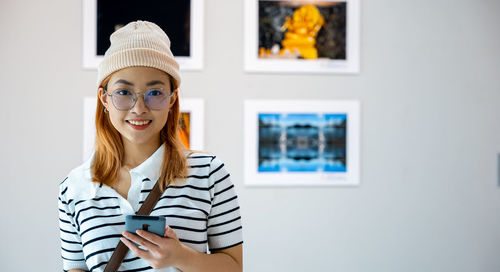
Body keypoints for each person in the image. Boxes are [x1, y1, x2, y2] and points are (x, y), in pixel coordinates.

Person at [58, 20, 243, 272]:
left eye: (154, 93)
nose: (139, 108)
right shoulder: (73, 187)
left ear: (172, 99)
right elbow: (75, 268)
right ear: (104, 98)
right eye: (124, 92)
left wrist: (180, 257)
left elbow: (234, 266)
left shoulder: (209, 173)